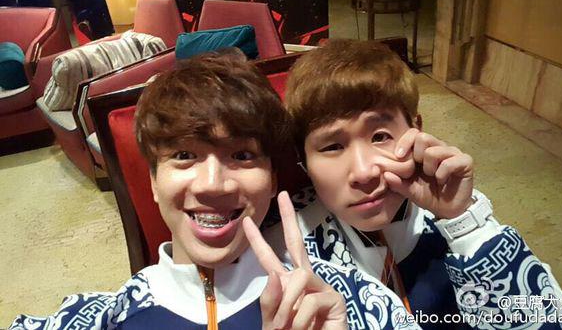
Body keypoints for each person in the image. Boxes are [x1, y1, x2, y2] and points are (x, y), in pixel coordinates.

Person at [9, 52, 418, 329]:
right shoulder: (105, 317)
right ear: (153, 181)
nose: (212, 184)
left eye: (241, 155)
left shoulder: (347, 299)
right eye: (184, 155)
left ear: (273, 179)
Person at [283, 39, 562, 329]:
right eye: (332, 146)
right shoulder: (291, 247)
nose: (363, 172)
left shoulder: (458, 210)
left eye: (380, 136)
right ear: (303, 159)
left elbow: (557, 321)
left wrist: (465, 223)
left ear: (417, 130)